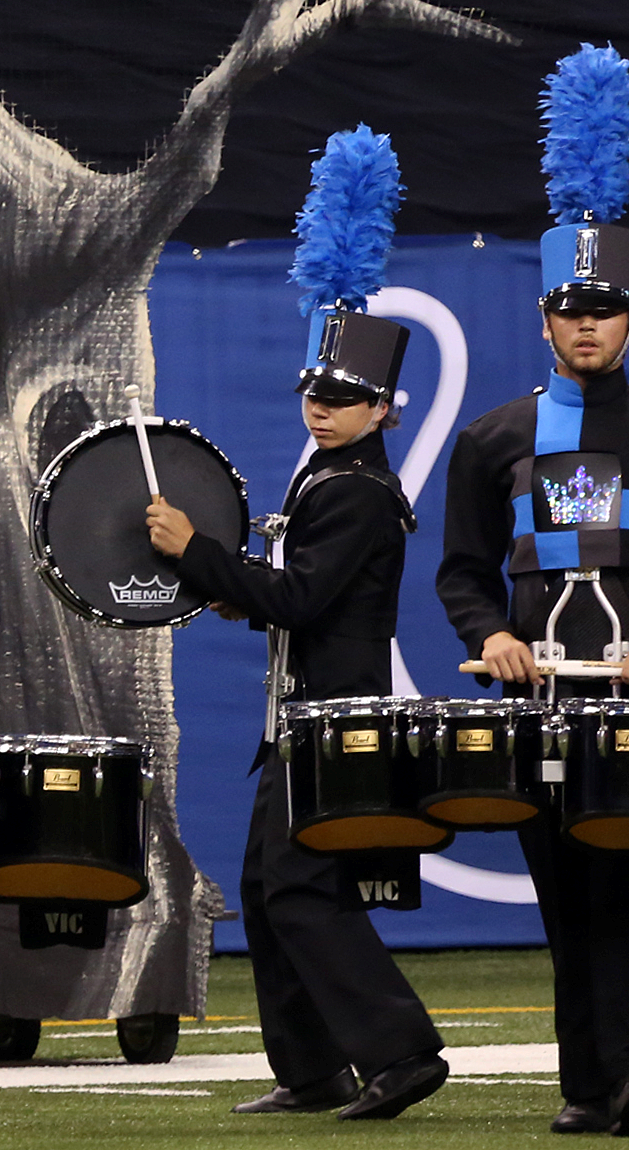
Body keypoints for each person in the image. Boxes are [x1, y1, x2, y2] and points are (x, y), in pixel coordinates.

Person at [435, 139, 629, 1131]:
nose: (587, 325)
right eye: (571, 311)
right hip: (537, 708)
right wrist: (489, 637)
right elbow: (460, 573)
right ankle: (586, 1084)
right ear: (544, 319)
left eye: (604, 310)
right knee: (566, 894)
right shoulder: (491, 440)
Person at [146, 321, 449, 1121]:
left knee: (302, 887)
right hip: (305, 717)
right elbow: (313, 598)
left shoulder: (352, 487)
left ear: (383, 409)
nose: (322, 407)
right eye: (314, 392)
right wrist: (241, 588)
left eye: (344, 397)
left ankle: (402, 1050)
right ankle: (313, 1071)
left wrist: (200, 553)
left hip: (332, 723)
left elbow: (304, 597)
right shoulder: (333, 472)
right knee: (267, 883)